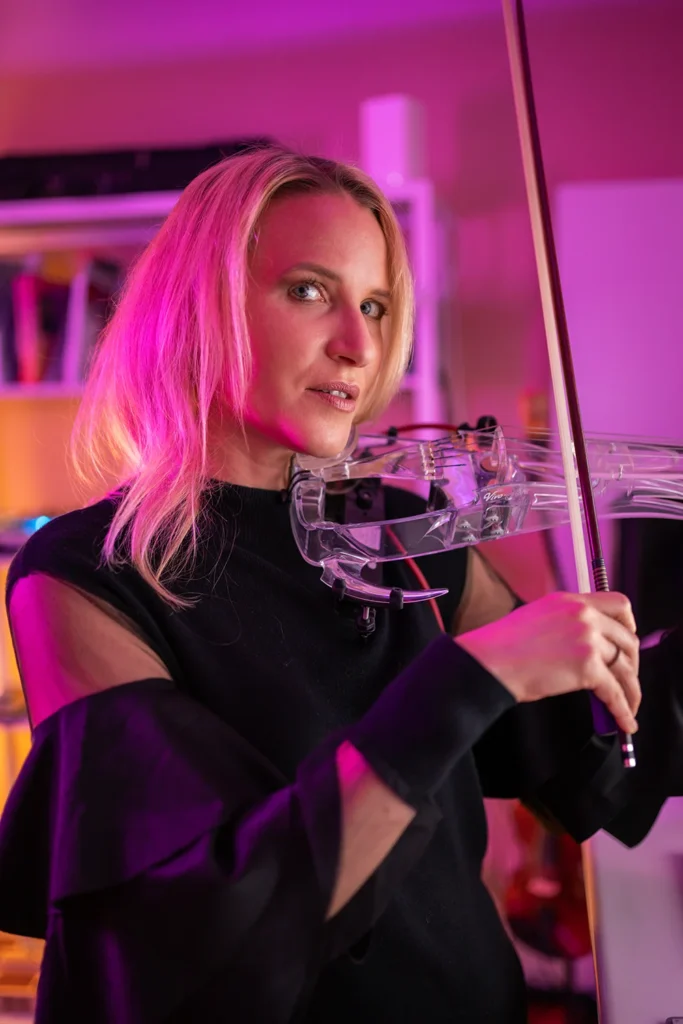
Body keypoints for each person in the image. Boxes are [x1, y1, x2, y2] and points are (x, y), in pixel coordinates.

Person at [0, 146, 680, 1024]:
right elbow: (225, 925)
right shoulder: (84, 573)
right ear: (199, 308)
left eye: (374, 304)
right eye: (309, 291)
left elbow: (589, 762)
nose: (358, 346)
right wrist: (467, 677)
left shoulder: (390, 520)